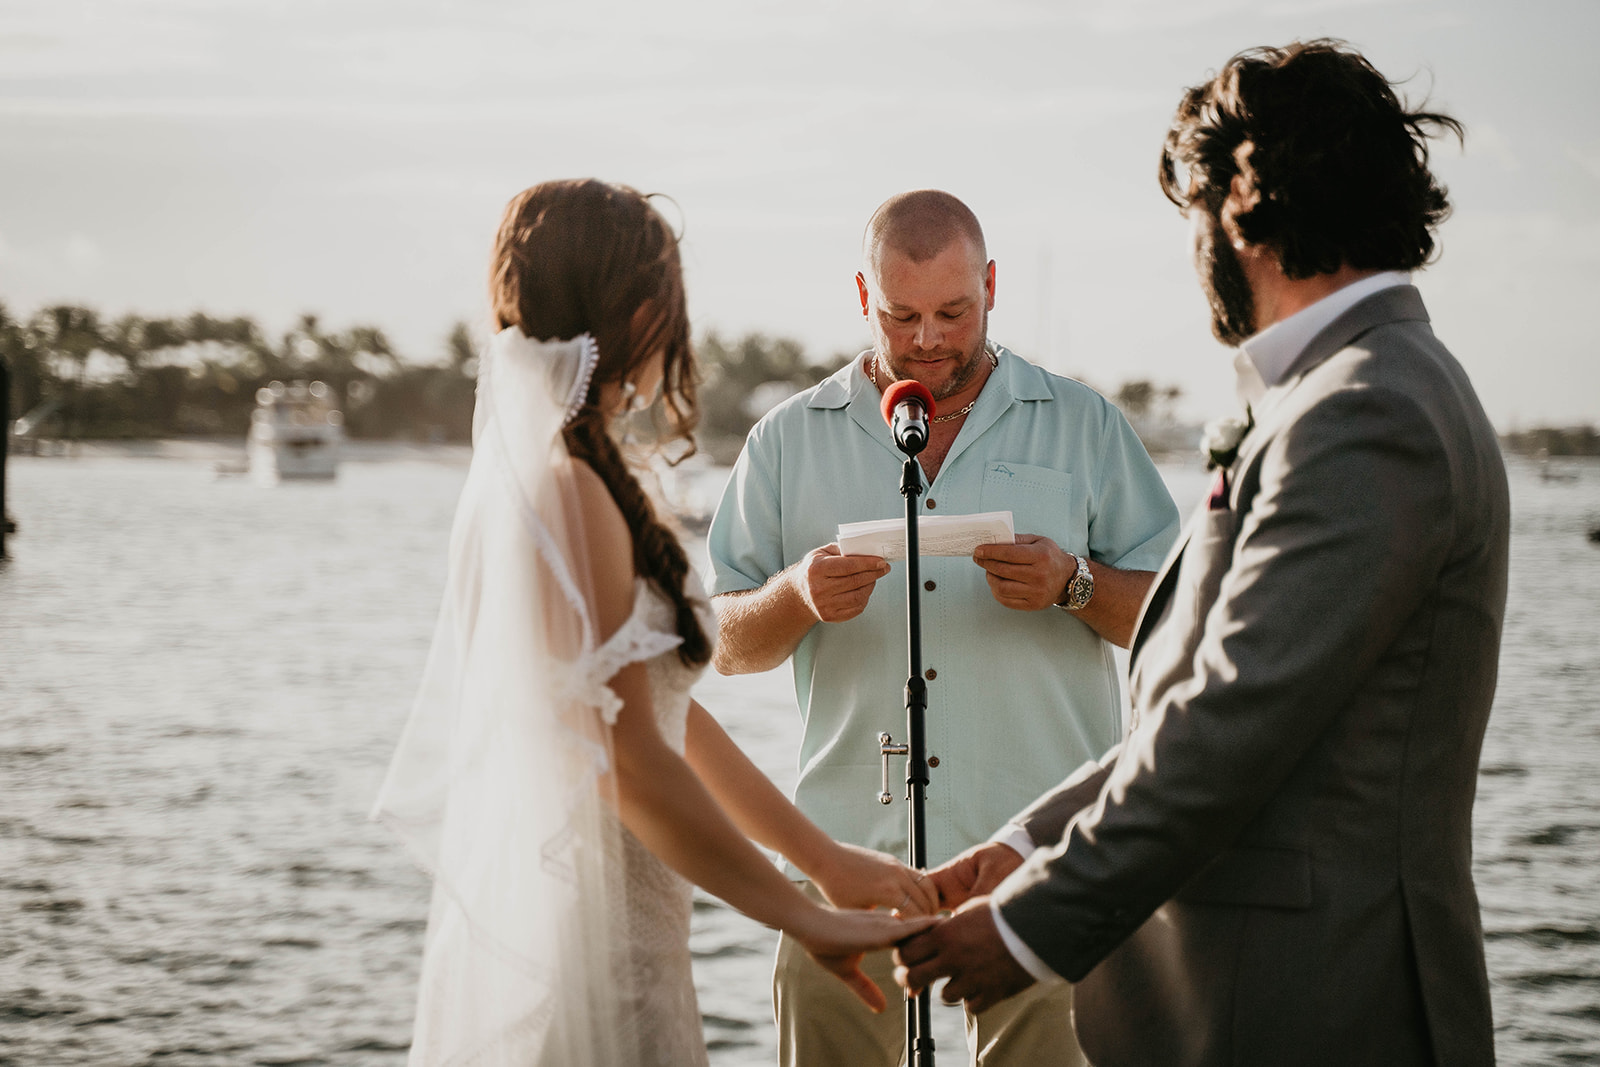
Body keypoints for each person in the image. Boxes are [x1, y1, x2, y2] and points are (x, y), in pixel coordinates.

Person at [894, 40, 1507, 1067]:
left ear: (1240, 207)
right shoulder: (1350, 390)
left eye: (1189, 216)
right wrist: (1021, 845)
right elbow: (1195, 701)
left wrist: (1023, 924)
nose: (1190, 253)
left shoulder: (1368, 409)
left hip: (1310, 1001)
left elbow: (1232, 719)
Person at [372, 179, 937, 1067]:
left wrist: (820, 858)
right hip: (597, 943)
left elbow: (667, 718)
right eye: (667, 302)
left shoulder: (566, 479)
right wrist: (799, 913)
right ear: (636, 312)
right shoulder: (571, 490)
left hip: (635, 924)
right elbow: (630, 758)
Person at [707, 189, 1180, 1066]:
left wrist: (1074, 582)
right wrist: (796, 597)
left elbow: (1176, 622)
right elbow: (724, 644)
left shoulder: (1084, 425)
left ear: (993, 288)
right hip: (843, 863)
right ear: (862, 299)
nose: (928, 338)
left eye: (953, 312)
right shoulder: (784, 441)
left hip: (1045, 859)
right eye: (903, 315)